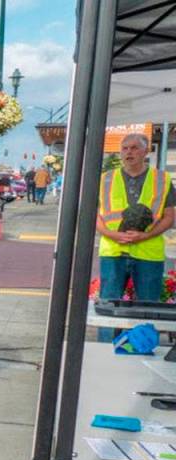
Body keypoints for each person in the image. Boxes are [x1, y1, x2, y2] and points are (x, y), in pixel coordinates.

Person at [95, 133, 175, 341]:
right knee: (108, 307)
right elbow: (94, 215)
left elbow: (169, 217)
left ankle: (143, 348)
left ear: (145, 151)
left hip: (148, 253)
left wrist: (145, 235)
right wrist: (111, 233)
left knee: (148, 308)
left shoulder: (162, 180)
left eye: (134, 148)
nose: (128, 152)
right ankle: (106, 352)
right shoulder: (105, 179)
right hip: (113, 250)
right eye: (125, 148)